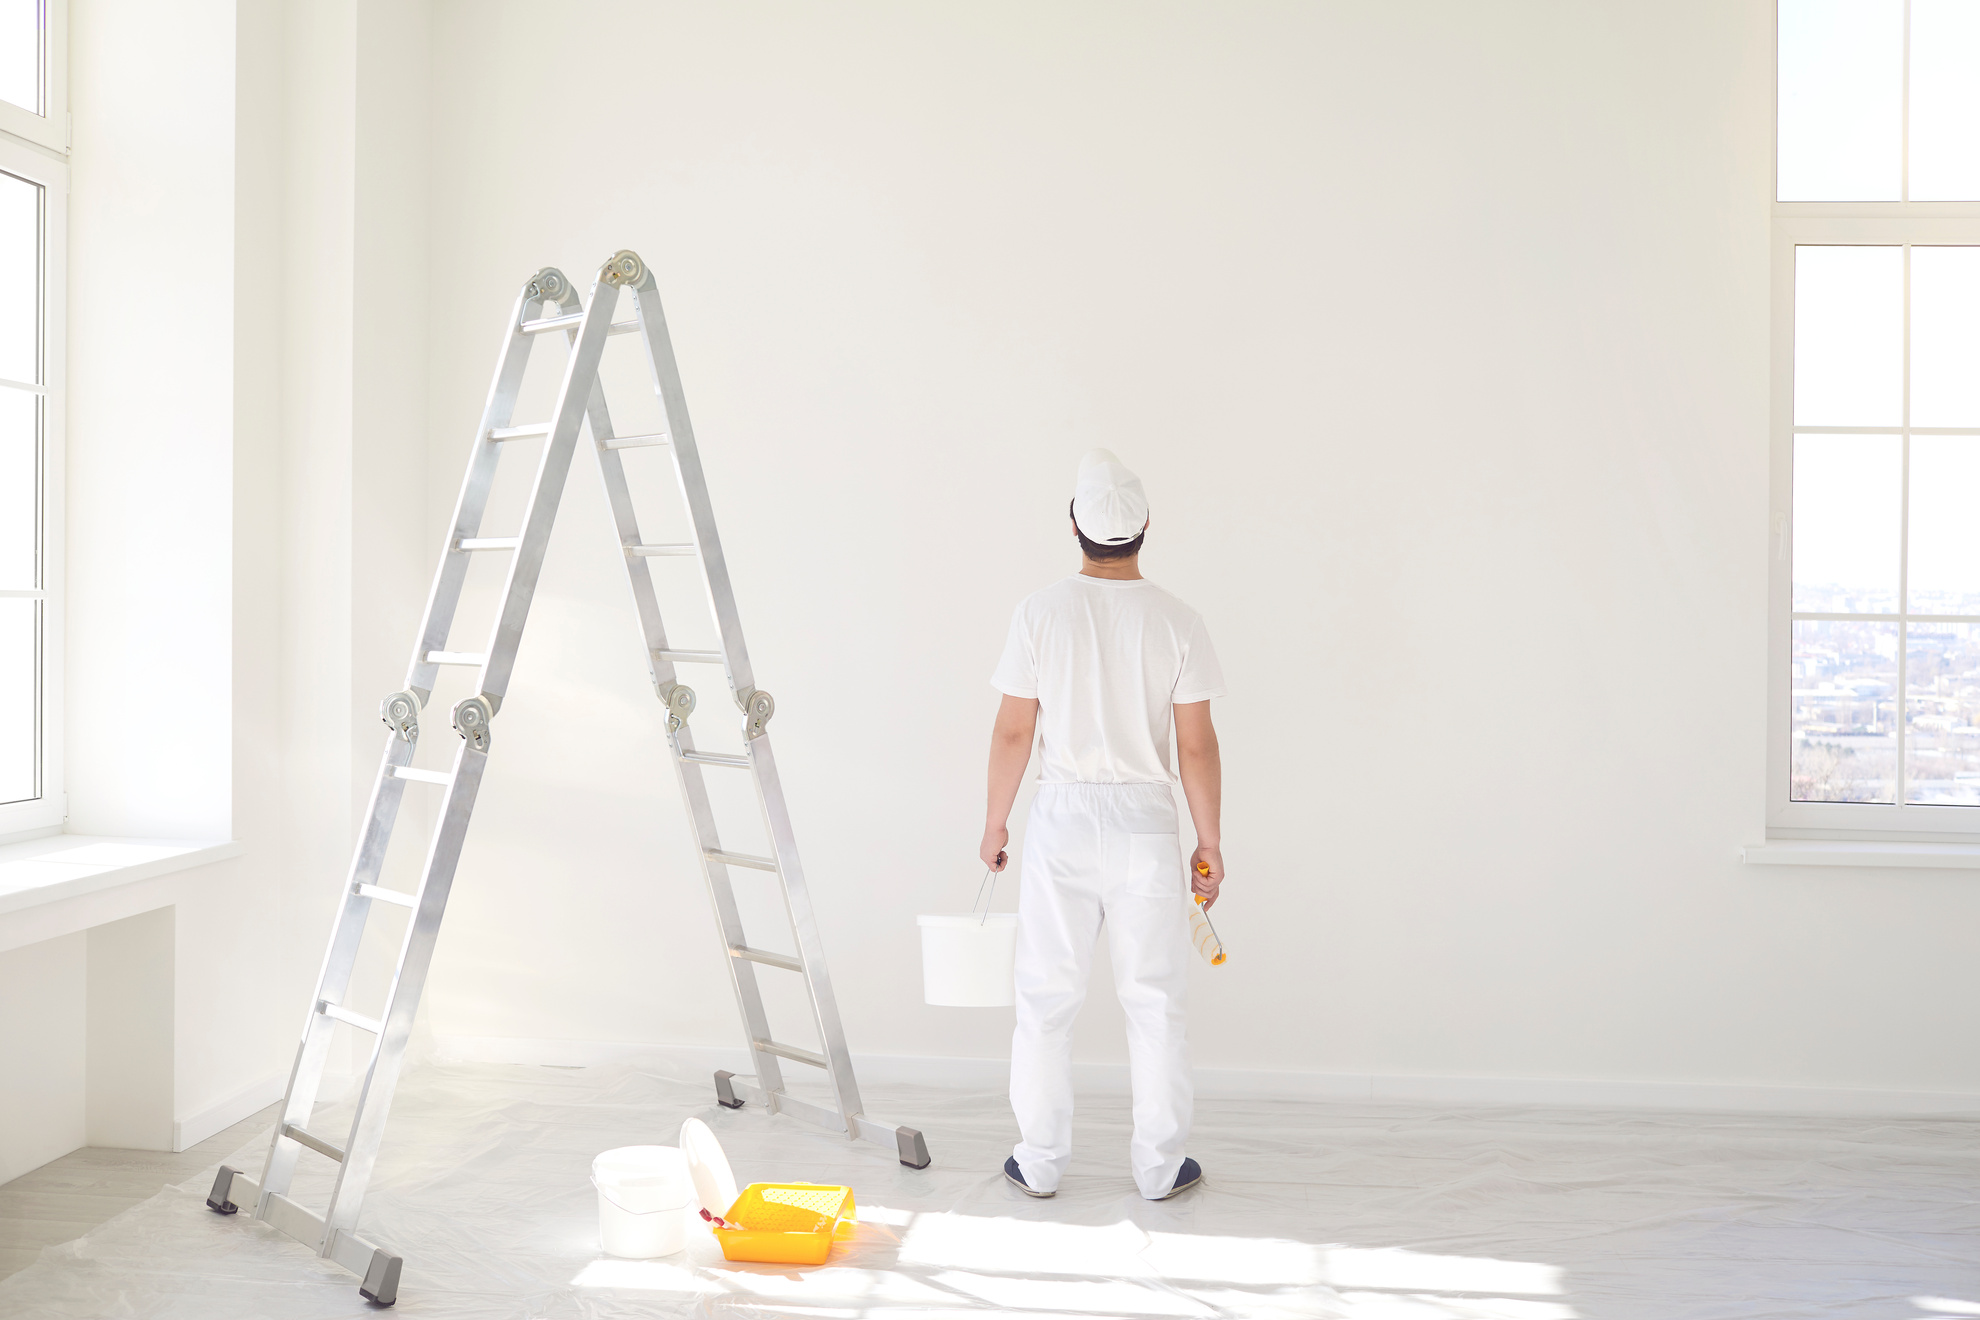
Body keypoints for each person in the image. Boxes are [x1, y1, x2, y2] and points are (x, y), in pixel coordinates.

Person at [980, 448, 1226, 1201]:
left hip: (1060, 817)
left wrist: (994, 824)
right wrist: (1209, 842)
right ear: (1145, 527)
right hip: (1147, 824)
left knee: (1046, 998)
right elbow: (1194, 743)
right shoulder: (1179, 620)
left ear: (1076, 527)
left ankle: (1041, 1160)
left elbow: (1015, 732)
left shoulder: (1038, 613)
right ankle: (1158, 1169)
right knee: (1154, 1000)